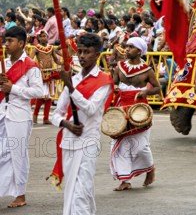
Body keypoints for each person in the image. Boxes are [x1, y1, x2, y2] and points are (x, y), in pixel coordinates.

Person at [50, 33, 113, 215]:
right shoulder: (74, 78)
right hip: (68, 142)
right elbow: (57, 114)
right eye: (81, 52)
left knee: (82, 191)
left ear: (97, 55)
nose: (83, 56)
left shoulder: (104, 81)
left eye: (88, 52)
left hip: (88, 143)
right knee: (72, 190)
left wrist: (70, 87)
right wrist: (66, 124)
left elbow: (91, 109)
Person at [0, 26, 43, 208]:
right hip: (2, 112)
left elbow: (39, 91)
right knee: (2, 154)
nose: (6, 44)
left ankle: (20, 195)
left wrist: (14, 88)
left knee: (18, 156)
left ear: (21, 43)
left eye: (10, 41)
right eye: (5, 40)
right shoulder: (3, 63)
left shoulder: (31, 66)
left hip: (19, 115)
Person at [111, 37, 160, 191]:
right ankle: (125, 180)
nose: (127, 49)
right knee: (121, 145)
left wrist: (145, 91)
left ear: (139, 51)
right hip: (122, 106)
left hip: (140, 108)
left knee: (140, 146)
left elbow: (157, 88)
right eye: (127, 46)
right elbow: (113, 83)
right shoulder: (119, 67)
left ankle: (150, 168)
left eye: (131, 47)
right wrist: (115, 88)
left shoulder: (147, 69)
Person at [30, 30, 60, 124]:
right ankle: (35, 116)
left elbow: (56, 60)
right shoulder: (36, 48)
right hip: (40, 74)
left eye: (45, 36)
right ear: (38, 38)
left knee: (49, 96)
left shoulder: (51, 48)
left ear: (47, 37)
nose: (43, 38)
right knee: (41, 95)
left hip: (50, 73)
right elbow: (30, 60)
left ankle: (46, 118)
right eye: (41, 36)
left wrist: (63, 64)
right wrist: (35, 68)